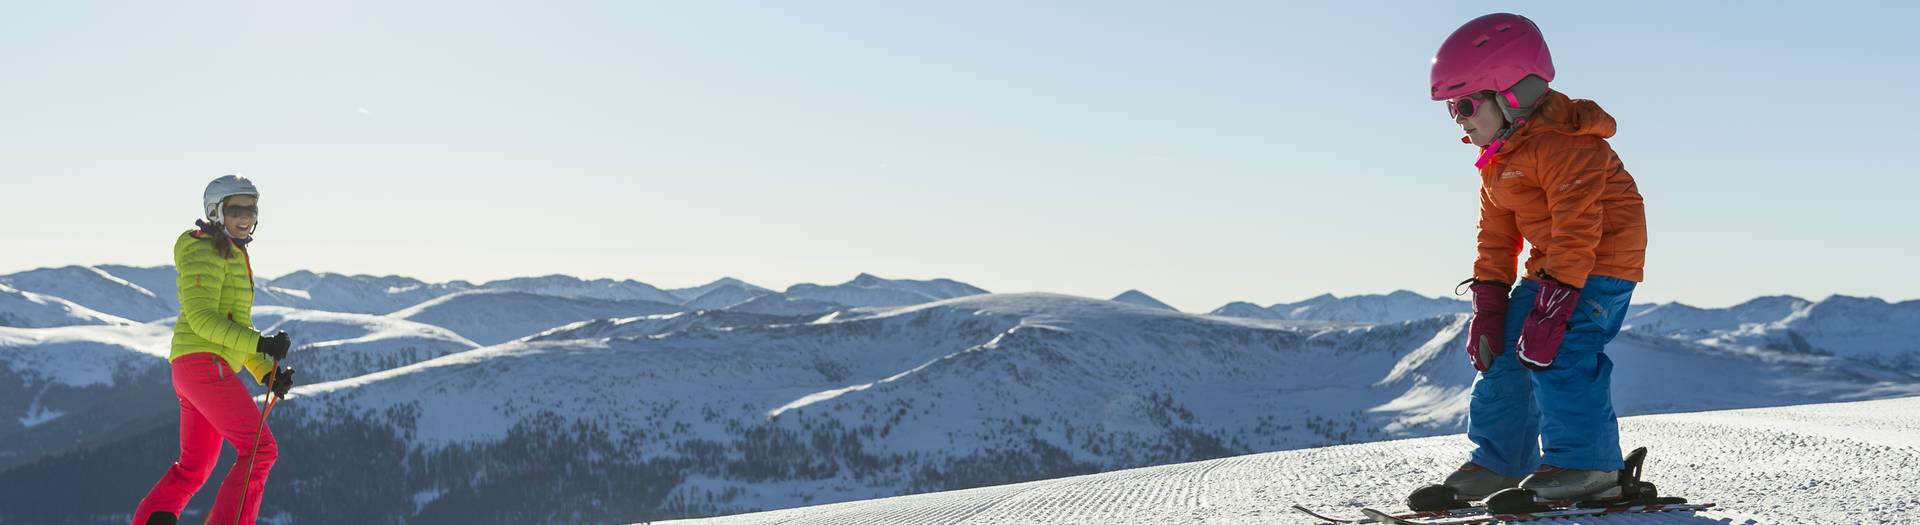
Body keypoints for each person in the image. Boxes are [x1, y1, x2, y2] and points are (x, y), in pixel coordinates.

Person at [1428, 13, 1649, 504]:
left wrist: (1554, 308)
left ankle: (1590, 467)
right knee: (1507, 352)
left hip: (1599, 266)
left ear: (1512, 95)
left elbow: (1578, 229)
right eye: (1451, 110)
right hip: (1555, 268)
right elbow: (1495, 235)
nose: (1459, 120)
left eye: (1465, 105)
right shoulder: (1500, 159)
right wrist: (1490, 306)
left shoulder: (1567, 145)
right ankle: (1500, 462)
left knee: (1561, 351)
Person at [130, 175, 297, 525]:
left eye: (252, 208)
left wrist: (266, 372)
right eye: (237, 209)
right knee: (260, 450)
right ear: (215, 211)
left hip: (197, 368)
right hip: (204, 364)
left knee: (194, 468)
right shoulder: (202, 248)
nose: (247, 216)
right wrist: (260, 344)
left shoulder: (234, 252)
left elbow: (236, 325)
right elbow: (203, 319)